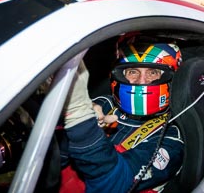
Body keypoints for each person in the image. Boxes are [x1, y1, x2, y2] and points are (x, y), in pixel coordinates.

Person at [61, 37, 184, 192]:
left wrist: (82, 124)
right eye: (133, 71)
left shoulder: (170, 139)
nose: (141, 81)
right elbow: (54, 160)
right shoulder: (104, 104)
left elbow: (113, 184)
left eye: (153, 72)